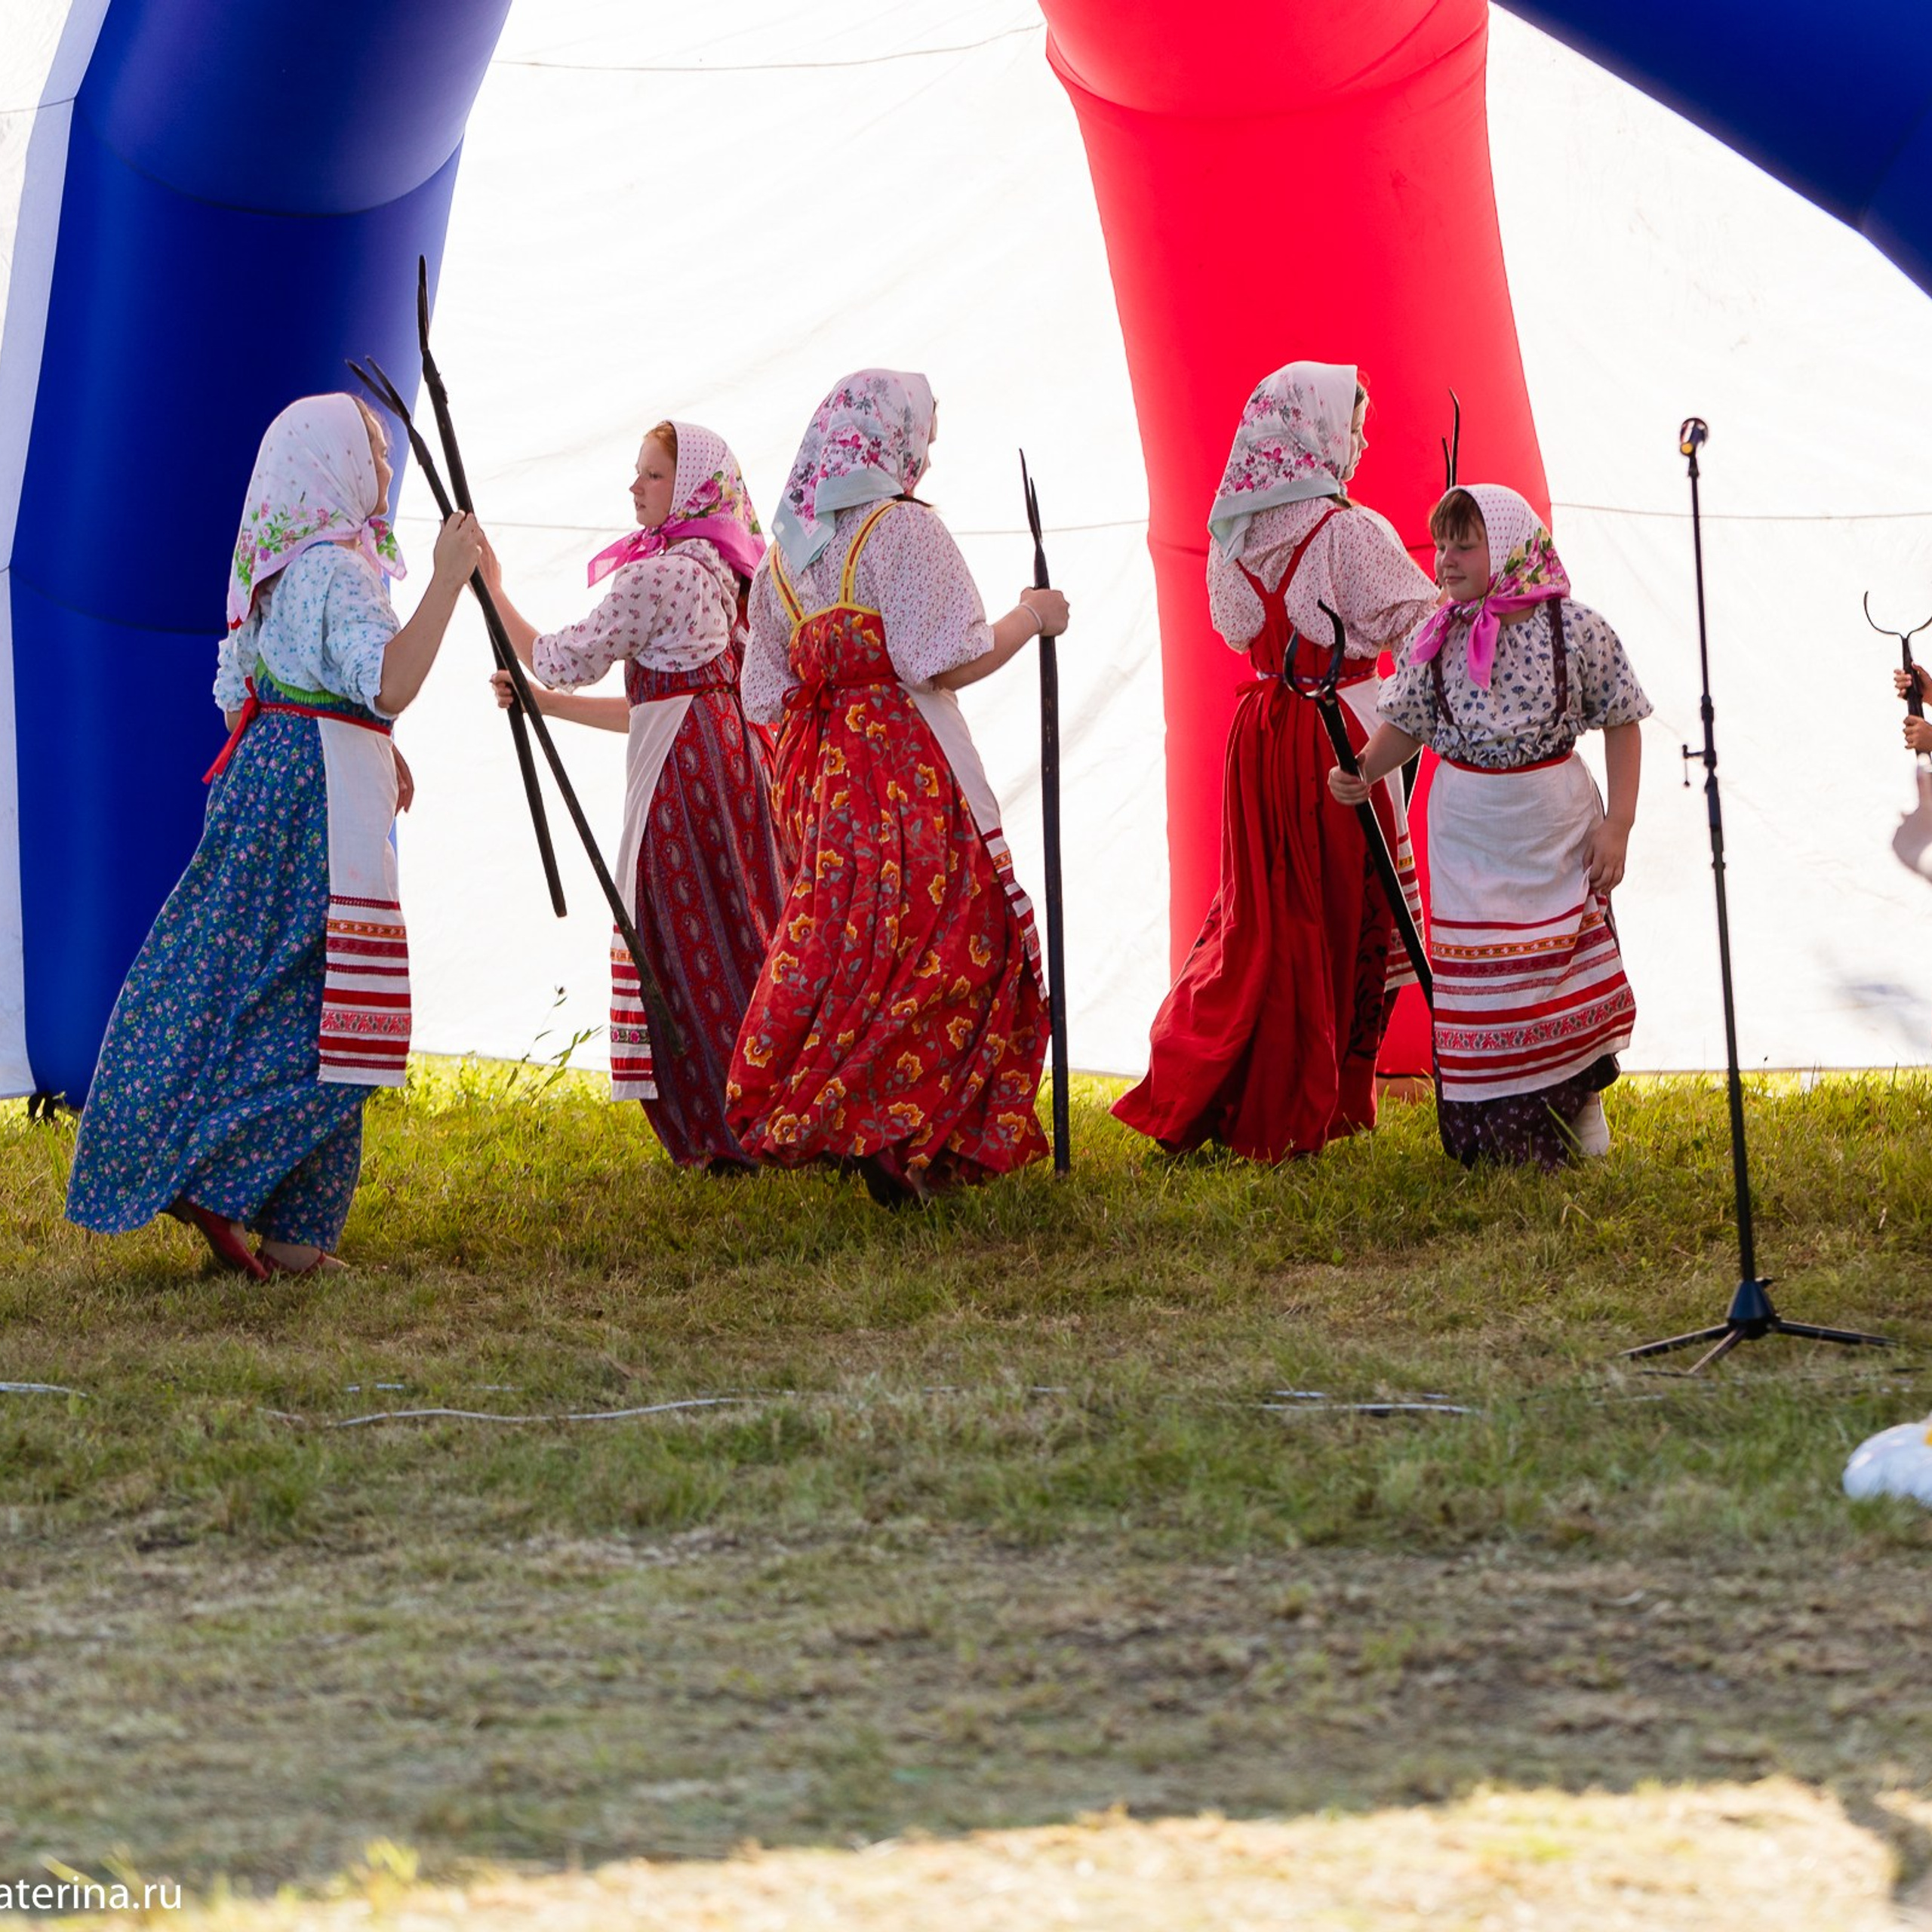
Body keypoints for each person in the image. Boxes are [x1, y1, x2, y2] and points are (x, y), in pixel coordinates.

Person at [66, 392, 482, 1275]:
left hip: (276, 771)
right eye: (371, 442)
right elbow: (390, 680)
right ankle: (216, 1175)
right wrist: (448, 578)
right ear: (328, 461)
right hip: (314, 795)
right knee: (337, 1009)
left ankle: (295, 1235)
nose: (384, 453)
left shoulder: (274, 566)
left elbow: (252, 698)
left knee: (277, 989)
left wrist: (367, 747)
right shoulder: (336, 569)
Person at [726, 368, 1069, 1204]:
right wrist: (1033, 616)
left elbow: (761, 692)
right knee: (956, 931)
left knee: (854, 940)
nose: (931, 446)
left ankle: (861, 1115)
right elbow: (940, 658)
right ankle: (905, 1129)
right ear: (888, 437)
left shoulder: (783, 557)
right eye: (925, 429)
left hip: (825, 780)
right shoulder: (901, 529)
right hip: (910, 773)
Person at [1112, 361, 1438, 1162]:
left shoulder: (1233, 533)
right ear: (1314, 432)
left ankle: (1231, 1078)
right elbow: (1423, 627)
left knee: (1261, 913)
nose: (1361, 443)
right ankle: (1305, 1094)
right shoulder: (1349, 531)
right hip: (1337, 734)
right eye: (1353, 424)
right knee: (1332, 909)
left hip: (1260, 731)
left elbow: (1236, 630)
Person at [483, 420, 784, 1169]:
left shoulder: (662, 575)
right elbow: (655, 707)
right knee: (734, 923)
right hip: (725, 763)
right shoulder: (723, 571)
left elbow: (557, 656)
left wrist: (491, 589)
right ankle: (766, 1102)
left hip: (686, 774)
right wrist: (540, 705)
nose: (635, 487)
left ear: (687, 490)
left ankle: (725, 1127)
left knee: (680, 935)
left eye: (652, 475)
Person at [1331, 483, 1648, 1167]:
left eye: (1464, 545)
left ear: (1507, 550)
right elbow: (1407, 726)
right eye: (1442, 544)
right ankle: (1492, 1139)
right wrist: (1363, 766)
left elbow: (1622, 717)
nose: (1444, 559)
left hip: (1555, 833)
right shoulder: (1436, 635)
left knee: (1563, 975)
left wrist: (1618, 823)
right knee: (1487, 993)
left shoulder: (1577, 629)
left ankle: (1586, 1110)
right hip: (1470, 840)